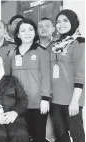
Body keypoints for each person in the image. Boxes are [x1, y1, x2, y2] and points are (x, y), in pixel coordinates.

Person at [8, 19, 51, 142]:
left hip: (38, 103)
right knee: (21, 136)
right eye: (23, 30)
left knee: (38, 137)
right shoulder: (12, 54)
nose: (27, 33)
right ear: (18, 34)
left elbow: (46, 76)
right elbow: (9, 79)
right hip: (18, 104)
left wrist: (45, 99)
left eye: (30, 29)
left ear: (35, 32)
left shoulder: (42, 52)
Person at [49, 9, 85, 142]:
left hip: (72, 98)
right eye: (58, 21)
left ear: (74, 22)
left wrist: (75, 101)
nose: (61, 24)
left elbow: (80, 74)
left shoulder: (79, 43)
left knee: (77, 135)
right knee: (60, 135)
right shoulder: (54, 44)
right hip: (55, 98)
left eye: (65, 21)